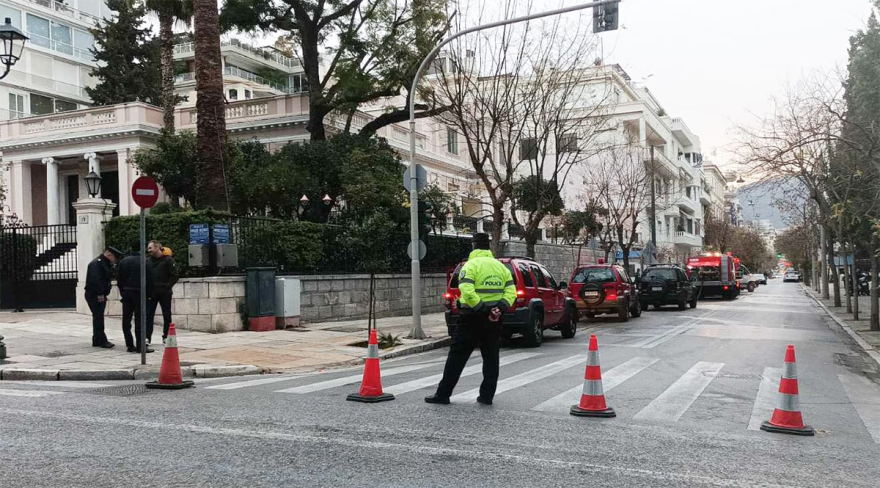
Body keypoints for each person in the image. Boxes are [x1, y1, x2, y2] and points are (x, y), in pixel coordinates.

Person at [425, 233, 516, 406]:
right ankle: (486, 396)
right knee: (491, 357)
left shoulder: (470, 265)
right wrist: (499, 308)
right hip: (494, 318)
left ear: (473, 246)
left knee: (457, 356)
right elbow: (510, 292)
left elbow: (466, 289)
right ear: (488, 247)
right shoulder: (501, 267)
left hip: (471, 318)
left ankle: (443, 394)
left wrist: (481, 308)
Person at [84, 246, 122, 348]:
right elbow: (96, 280)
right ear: (109, 255)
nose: (115, 261)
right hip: (96, 295)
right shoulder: (97, 263)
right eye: (114, 258)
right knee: (98, 317)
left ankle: (97, 339)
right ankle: (101, 340)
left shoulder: (101, 263)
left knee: (98, 316)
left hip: (96, 294)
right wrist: (100, 294)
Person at [116, 252, 154, 353]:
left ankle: (129, 344)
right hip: (140, 293)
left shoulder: (124, 261)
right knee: (140, 320)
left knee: (126, 319)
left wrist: (122, 292)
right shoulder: (146, 261)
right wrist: (149, 295)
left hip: (127, 292)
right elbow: (150, 280)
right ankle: (140, 345)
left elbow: (119, 279)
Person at [146, 240, 179, 345]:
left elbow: (175, 275)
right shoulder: (148, 261)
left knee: (167, 315)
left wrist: (167, 287)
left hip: (164, 292)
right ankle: (147, 337)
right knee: (148, 315)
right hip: (152, 292)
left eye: (150, 248)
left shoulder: (168, 260)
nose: (148, 250)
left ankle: (166, 337)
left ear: (157, 248)